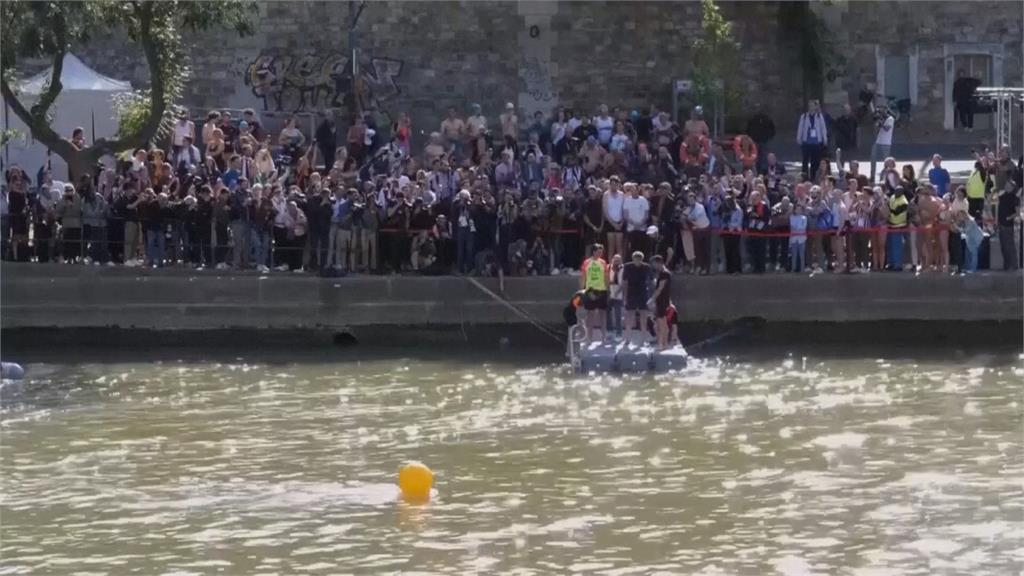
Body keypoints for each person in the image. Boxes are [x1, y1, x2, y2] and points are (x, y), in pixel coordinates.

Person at [580, 243, 609, 342]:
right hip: (590, 290)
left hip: (602, 290)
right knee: (590, 315)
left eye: (601, 252)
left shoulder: (603, 262)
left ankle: (604, 337)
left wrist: (608, 289)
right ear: (594, 251)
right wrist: (582, 291)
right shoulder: (586, 262)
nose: (600, 253)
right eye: (599, 251)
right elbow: (583, 277)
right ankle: (589, 337)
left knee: (603, 315)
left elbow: (606, 276)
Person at [621, 250, 650, 345]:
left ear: (642, 259)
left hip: (643, 294)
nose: (637, 261)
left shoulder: (646, 267)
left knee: (643, 318)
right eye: (635, 259)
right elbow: (625, 282)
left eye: (639, 259)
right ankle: (627, 339)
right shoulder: (627, 267)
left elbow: (650, 282)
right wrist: (624, 297)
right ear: (633, 259)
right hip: (631, 293)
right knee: (629, 317)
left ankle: (644, 339)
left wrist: (650, 298)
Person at [796, 100, 827, 181]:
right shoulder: (804, 116)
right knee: (805, 161)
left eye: (813, 106)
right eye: (810, 106)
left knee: (815, 162)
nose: (811, 107)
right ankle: (804, 177)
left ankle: (813, 177)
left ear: (815, 107)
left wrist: (824, 138)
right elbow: (800, 128)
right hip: (806, 142)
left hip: (816, 142)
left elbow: (823, 128)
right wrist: (799, 138)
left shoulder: (819, 116)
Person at [649, 255, 672, 351]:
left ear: (659, 262)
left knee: (660, 324)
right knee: (664, 324)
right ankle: (665, 344)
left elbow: (660, 288)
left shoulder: (664, 273)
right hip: (663, 300)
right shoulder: (664, 273)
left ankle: (661, 344)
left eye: (654, 264)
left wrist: (652, 299)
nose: (653, 266)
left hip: (662, 301)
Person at [997, 180, 1020, 270]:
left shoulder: (1015, 198)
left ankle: (1014, 265)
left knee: (1009, 245)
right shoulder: (1002, 196)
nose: (1006, 186)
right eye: (1006, 184)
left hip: (1008, 225)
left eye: (1008, 185)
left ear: (1012, 187)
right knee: (1003, 246)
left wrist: (1009, 218)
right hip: (1000, 223)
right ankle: (1006, 265)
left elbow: (1017, 213)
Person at [870, 106, 895, 183]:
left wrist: (881, 123)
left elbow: (887, 129)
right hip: (878, 141)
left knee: (887, 161)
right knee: (873, 157)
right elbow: (876, 128)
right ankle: (872, 176)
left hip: (886, 143)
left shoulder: (890, 119)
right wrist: (876, 120)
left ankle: (885, 176)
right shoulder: (880, 118)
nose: (881, 110)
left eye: (883, 109)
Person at [603, 177, 626, 257]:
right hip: (610, 222)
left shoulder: (622, 194)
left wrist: (621, 222)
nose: (614, 186)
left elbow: (624, 209)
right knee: (611, 246)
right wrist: (613, 224)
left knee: (619, 246)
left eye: (615, 184)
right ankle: (610, 266)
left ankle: (620, 266)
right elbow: (605, 211)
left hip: (620, 222)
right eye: (612, 184)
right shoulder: (606, 194)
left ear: (618, 184)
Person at [834, 103, 858, 170]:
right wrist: (837, 145)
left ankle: (852, 177)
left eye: (847, 110)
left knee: (852, 164)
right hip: (842, 146)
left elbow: (856, 132)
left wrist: (857, 143)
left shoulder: (853, 120)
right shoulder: (839, 120)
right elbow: (837, 133)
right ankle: (842, 178)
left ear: (850, 110)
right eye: (844, 110)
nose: (846, 111)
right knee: (841, 164)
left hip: (851, 145)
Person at [607, 254, 624, 340]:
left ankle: (619, 333)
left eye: (618, 260)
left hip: (619, 293)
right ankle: (609, 330)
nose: (616, 261)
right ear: (612, 260)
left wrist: (618, 291)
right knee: (607, 311)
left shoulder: (623, 269)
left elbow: (624, 282)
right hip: (610, 291)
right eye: (615, 260)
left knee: (618, 314)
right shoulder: (608, 267)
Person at [789, 203, 808, 273]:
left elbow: (803, 227)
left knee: (801, 255)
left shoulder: (804, 218)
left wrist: (797, 228)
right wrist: (797, 228)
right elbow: (792, 226)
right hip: (794, 239)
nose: (798, 210)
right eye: (797, 209)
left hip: (802, 239)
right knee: (794, 254)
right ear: (794, 210)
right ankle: (793, 268)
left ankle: (802, 269)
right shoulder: (791, 217)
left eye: (800, 209)